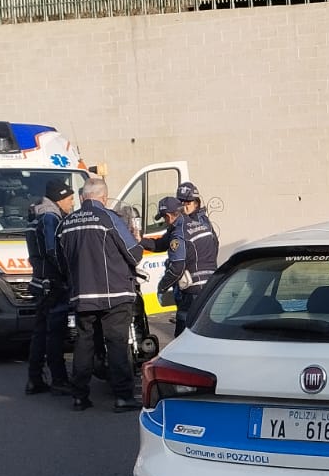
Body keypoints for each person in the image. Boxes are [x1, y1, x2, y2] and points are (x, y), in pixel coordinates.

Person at [57, 175, 142, 412]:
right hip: (114, 294)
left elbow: (60, 262)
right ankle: (123, 396)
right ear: (104, 198)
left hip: (82, 295)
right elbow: (134, 253)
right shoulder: (109, 218)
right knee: (116, 343)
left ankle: (79, 396)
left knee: (84, 344)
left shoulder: (66, 223)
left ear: (83, 197)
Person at [24, 178, 75, 395]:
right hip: (52, 284)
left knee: (40, 333)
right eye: (70, 199)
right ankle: (59, 379)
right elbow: (54, 251)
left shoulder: (38, 213)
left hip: (40, 281)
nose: (72, 204)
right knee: (55, 333)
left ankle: (34, 379)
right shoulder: (50, 217)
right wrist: (68, 274)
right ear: (59, 198)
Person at [158, 181, 218, 336]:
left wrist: (162, 286)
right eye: (181, 202)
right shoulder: (185, 224)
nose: (184, 206)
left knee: (186, 333)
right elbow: (161, 242)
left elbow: (213, 246)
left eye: (188, 202)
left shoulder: (198, 222)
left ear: (196, 202)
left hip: (193, 285)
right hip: (195, 285)